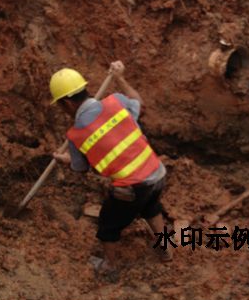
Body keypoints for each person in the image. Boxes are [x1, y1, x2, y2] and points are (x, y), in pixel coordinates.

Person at [49, 61, 169, 272]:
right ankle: (166, 249)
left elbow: (80, 168)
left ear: (67, 104)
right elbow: (139, 101)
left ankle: (110, 265)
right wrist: (120, 78)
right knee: (151, 207)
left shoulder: (76, 135)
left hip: (133, 188)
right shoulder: (117, 102)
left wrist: (62, 159)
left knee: (107, 224)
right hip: (157, 172)